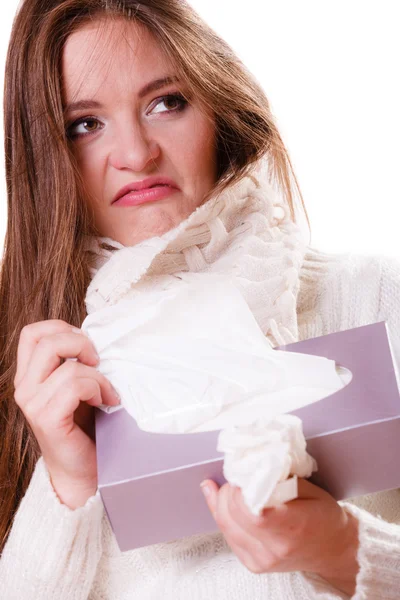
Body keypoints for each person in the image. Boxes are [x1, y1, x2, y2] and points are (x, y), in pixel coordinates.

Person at [0, 1, 399, 598]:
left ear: (218, 108)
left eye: (166, 102)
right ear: (44, 160)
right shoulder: (45, 378)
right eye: (85, 124)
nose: (135, 155)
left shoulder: (369, 297)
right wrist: (69, 480)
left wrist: (344, 548)